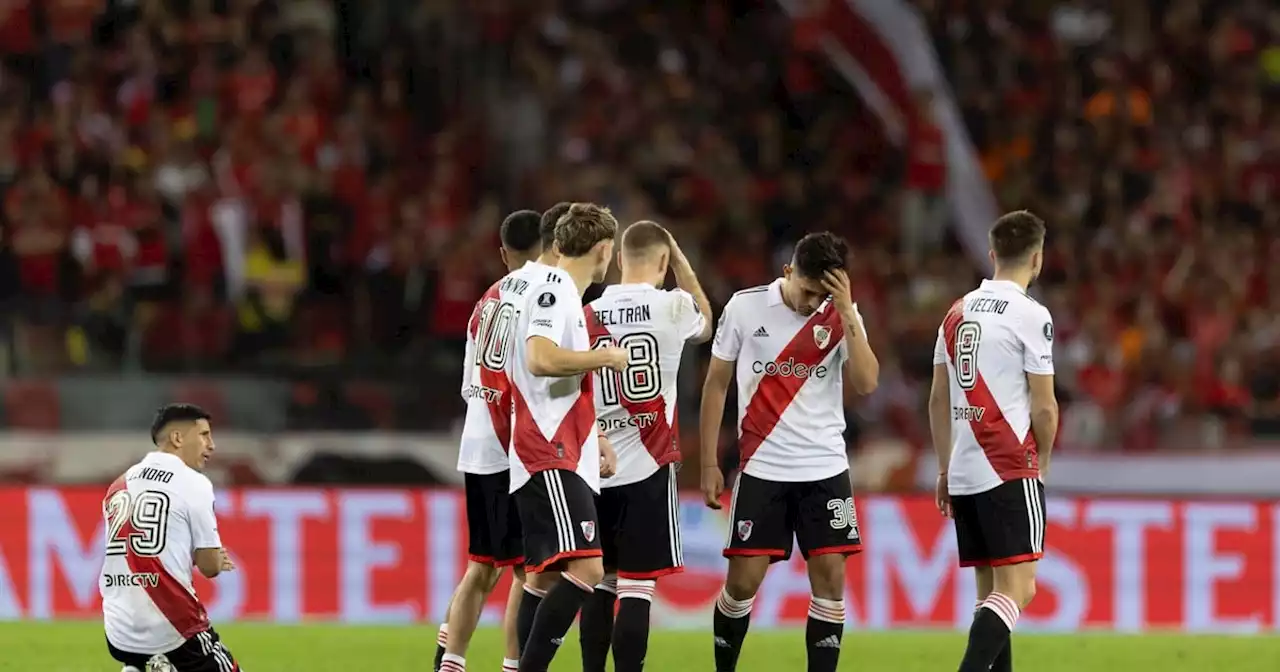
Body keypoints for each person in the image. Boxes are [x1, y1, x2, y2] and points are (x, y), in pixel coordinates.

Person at [699, 231, 879, 672]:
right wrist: (707, 462)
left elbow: (867, 383)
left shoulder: (840, 314)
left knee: (831, 582)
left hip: (825, 466)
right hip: (764, 467)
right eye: (805, 291)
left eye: (820, 295)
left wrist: (845, 313)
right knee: (742, 584)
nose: (808, 303)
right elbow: (716, 383)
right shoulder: (745, 307)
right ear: (786, 272)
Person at [578, 221, 713, 672]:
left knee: (598, 584)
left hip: (593, 466)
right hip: (649, 467)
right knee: (636, 589)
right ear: (663, 262)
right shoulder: (673, 305)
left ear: (618, 259)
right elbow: (707, 322)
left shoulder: (587, 311)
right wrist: (681, 263)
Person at [928, 210, 1058, 672]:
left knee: (990, 595)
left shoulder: (955, 312)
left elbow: (938, 401)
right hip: (1007, 465)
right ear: (1037, 259)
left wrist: (944, 468)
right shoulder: (1031, 314)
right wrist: (1040, 462)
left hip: (963, 469)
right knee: (1020, 588)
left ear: (992, 255)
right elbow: (1044, 406)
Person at [501, 202, 626, 672]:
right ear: (604, 250)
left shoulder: (558, 289)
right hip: (546, 448)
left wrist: (594, 437)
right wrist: (604, 358)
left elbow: (554, 380)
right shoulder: (555, 288)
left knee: (544, 578)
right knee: (589, 570)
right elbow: (541, 359)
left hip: (561, 445)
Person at [435, 209, 546, 672]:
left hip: (477, 444)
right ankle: (512, 666)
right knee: (526, 570)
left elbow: (470, 384)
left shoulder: (486, 300)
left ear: (503, 254)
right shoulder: (546, 296)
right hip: (512, 447)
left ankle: (451, 663)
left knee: (481, 567)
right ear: (548, 249)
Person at [101, 404, 240, 672]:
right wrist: (213, 557)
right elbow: (210, 566)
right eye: (204, 435)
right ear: (178, 438)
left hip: (118, 631)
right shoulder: (193, 482)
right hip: (171, 629)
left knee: (142, 662)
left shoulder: (119, 484)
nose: (211, 445)